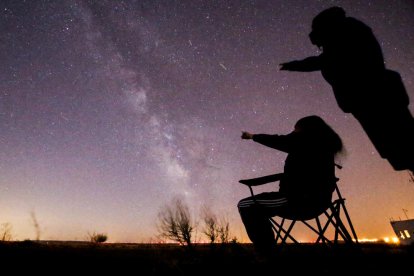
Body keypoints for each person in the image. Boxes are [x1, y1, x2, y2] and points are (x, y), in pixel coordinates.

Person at [279, 6, 414, 172]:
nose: (316, 42)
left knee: (404, 147)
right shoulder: (346, 32)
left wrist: (295, 65)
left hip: (374, 98)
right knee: (400, 150)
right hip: (369, 100)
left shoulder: (345, 33)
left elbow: (325, 60)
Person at [237, 115, 343, 254]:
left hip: (297, 200)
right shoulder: (322, 147)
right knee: (256, 206)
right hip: (319, 201)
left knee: (246, 205)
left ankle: (267, 253)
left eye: (295, 130)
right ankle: (267, 248)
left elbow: (281, 141)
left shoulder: (307, 141)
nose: (292, 132)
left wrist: (252, 136)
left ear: (304, 129)